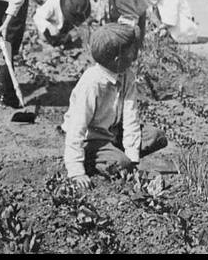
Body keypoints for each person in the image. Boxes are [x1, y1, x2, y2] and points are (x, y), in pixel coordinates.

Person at [63, 24, 166, 187]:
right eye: (132, 51)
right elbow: (77, 128)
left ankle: (116, 156)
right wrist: (76, 171)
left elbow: (131, 118)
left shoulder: (127, 76)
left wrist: (133, 159)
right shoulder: (92, 83)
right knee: (121, 164)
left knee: (157, 137)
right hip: (91, 139)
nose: (136, 54)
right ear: (118, 59)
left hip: (113, 131)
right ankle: (92, 159)